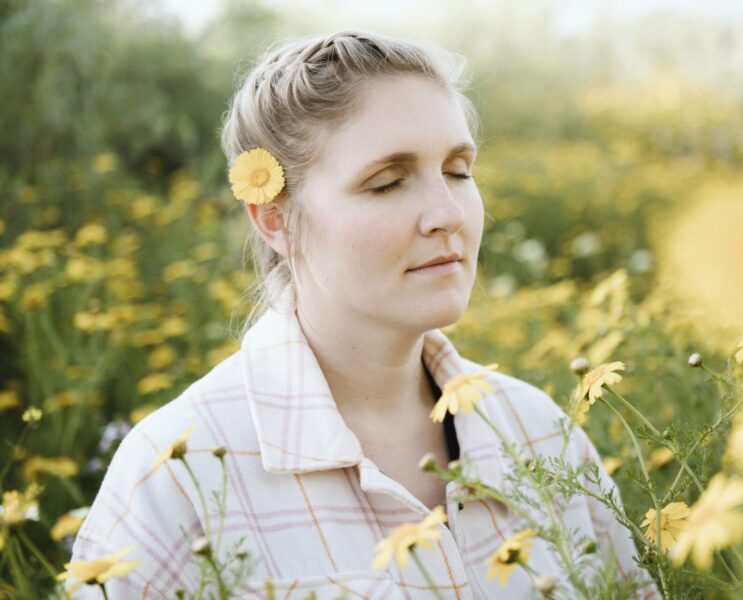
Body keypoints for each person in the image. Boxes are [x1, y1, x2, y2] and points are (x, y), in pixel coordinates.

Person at [67, 31, 658, 599]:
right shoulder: (177, 480)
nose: (446, 213)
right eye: (386, 183)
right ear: (274, 219)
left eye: (458, 171)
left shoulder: (539, 433)